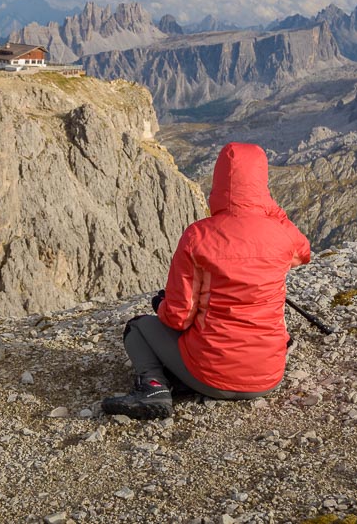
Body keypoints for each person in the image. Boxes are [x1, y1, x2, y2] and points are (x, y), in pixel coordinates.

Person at [102, 142, 312, 419]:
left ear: (218, 183)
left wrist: (161, 305)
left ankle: (154, 387)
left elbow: (179, 318)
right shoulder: (282, 235)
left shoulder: (197, 236)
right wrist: (266, 208)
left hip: (212, 376)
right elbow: (304, 253)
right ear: (262, 183)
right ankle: (188, 377)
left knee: (138, 328)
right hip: (268, 378)